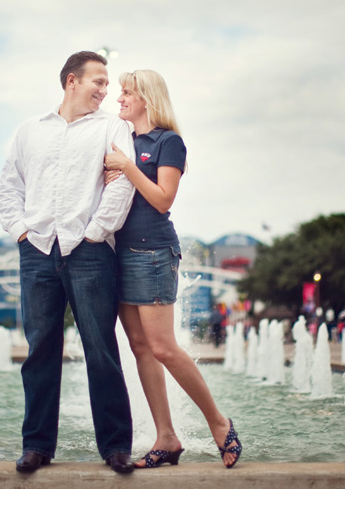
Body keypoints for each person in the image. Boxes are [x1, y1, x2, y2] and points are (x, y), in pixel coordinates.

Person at [0, 51, 137, 474]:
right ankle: (37, 445)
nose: (105, 90)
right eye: (98, 81)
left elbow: (122, 185)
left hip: (90, 250)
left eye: (108, 83)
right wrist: (21, 231)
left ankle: (116, 447)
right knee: (40, 349)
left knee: (101, 347)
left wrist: (94, 233)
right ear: (71, 81)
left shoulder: (113, 127)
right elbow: (9, 185)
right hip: (37, 248)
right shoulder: (29, 131)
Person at [104, 69, 242, 469]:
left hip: (153, 252)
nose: (120, 99)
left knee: (163, 346)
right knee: (140, 347)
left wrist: (127, 168)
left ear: (147, 97)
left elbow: (163, 200)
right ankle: (166, 438)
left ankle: (219, 423)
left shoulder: (168, 142)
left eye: (127, 93)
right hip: (119, 253)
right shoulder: (122, 140)